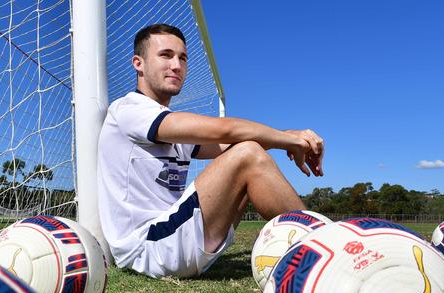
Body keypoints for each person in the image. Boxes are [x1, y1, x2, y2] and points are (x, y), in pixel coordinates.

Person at [97, 23, 324, 278]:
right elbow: (227, 131)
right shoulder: (129, 109)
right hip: (147, 247)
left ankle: (318, 244)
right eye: (166, 55)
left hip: (173, 237)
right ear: (138, 63)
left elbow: (231, 144)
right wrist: (287, 140)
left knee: (248, 149)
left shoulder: (168, 123)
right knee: (248, 153)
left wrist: (290, 135)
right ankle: (329, 247)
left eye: (182, 58)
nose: (176, 65)